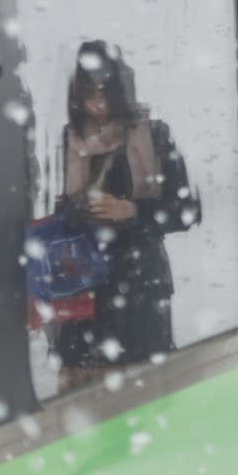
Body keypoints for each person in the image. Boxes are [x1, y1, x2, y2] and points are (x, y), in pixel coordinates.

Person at [51, 40, 198, 392]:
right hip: (85, 291)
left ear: (122, 94)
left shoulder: (154, 136)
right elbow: (62, 211)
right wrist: (75, 215)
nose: (98, 106)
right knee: (81, 407)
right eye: (88, 95)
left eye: (105, 94)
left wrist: (131, 210)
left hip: (139, 291)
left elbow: (186, 211)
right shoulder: (72, 140)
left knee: (143, 400)